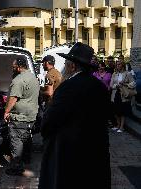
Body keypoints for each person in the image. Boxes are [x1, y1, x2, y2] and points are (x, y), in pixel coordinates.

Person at [39, 42, 111, 189]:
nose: (64, 66)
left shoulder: (67, 87)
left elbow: (50, 121)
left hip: (69, 152)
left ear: (72, 66)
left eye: (66, 63)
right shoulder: (100, 87)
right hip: (95, 150)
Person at [4, 58, 40, 176]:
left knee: (16, 141)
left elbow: (13, 98)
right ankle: (27, 159)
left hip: (20, 117)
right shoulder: (33, 77)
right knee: (26, 136)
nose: (12, 69)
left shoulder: (18, 80)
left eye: (13, 67)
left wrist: (6, 112)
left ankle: (17, 167)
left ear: (19, 67)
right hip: (31, 115)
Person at [110, 60, 136, 133]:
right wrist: (116, 85)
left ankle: (122, 127)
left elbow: (133, 84)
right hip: (115, 93)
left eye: (119, 64)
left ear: (123, 65)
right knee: (115, 110)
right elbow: (111, 85)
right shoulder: (114, 74)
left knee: (122, 111)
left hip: (124, 94)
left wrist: (124, 84)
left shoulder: (128, 73)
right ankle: (118, 125)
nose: (118, 66)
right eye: (117, 64)